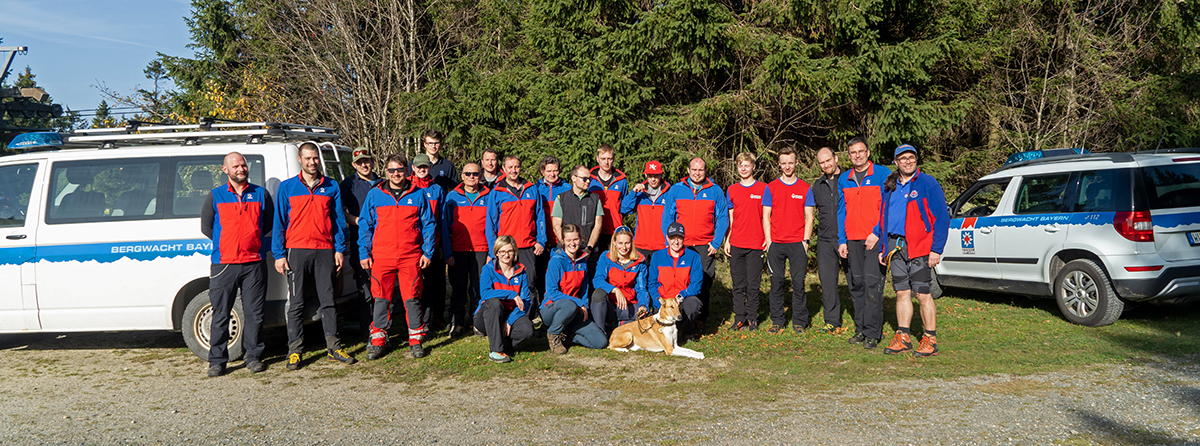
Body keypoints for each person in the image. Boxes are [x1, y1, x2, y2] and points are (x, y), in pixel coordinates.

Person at [272, 142, 355, 369]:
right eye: (307, 158)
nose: (312, 162)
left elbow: (338, 222)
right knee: (296, 302)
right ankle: (295, 350)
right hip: (297, 251)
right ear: (300, 159)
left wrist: (339, 249)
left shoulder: (331, 186)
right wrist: (279, 254)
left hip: (324, 250)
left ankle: (333, 347)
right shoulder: (287, 187)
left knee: (328, 301)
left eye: (315, 158)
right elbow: (279, 222)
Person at [199, 152, 273, 377]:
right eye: (235, 166)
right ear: (225, 170)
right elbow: (207, 227)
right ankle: (217, 361)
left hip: (254, 263)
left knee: (255, 313)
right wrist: (228, 244)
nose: (241, 169)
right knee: (221, 313)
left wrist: (254, 244)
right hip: (224, 264)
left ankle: (253, 357)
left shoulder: (261, 194)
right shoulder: (216, 196)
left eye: (243, 165)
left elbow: (268, 224)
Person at [358, 155, 437, 360]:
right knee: (381, 298)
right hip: (382, 256)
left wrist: (428, 252)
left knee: (411, 298)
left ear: (407, 170)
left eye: (400, 170)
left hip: (410, 256)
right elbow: (365, 224)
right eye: (392, 170)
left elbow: (429, 225)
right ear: (386, 171)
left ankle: (416, 340)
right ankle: (377, 341)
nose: (396, 174)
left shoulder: (418, 194)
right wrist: (363, 253)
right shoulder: (375, 194)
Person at [877, 144, 949, 358]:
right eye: (903, 158)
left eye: (911, 157)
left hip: (919, 246)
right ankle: (903, 337)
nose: (907, 161)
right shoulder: (889, 185)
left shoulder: (927, 183)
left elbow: (942, 218)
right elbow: (883, 217)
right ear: (896, 162)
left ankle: (930, 339)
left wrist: (936, 249)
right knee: (901, 292)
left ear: (916, 160)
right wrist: (883, 247)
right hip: (895, 246)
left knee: (923, 293)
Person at [837, 137, 892, 349]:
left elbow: (887, 206)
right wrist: (842, 240)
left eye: (861, 151)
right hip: (852, 240)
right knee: (856, 285)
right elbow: (842, 211)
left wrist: (877, 232)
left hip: (873, 240)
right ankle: (860, 329)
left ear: (868, 153)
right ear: (849, 156)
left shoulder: (882, 174)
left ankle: (872, 332)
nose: (857, 155)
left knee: (872, 285)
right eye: (853, 153)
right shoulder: (845, 178)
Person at [661, 157, 728, 331]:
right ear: (688, 171)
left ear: (705, 171)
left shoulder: (715, 190)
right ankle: (677, 315)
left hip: (705, 245)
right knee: (680, 281)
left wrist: (716, 242)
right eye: (694, 169)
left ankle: (700, 317)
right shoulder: (676, 189)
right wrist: (668, 240)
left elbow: (722, 217)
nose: (697, 173)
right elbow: (667, 217)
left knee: (704, 282)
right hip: (680, 245)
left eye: (701, 170)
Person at [485, 155, 547, 314]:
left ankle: (529, 318)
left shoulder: (531, 189)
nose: (514, 170)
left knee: (530, 283)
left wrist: (541, 240)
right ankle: (506, 317)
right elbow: (491, 224)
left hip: (527, 246)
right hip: (505, 248)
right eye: (510, 167)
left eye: (517, 167)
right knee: (505, 283)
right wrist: (494, 250)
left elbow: (539, 216)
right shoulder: (497, 192)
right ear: (504, 169)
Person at [763, 147, 812, 333]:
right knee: (776, 283)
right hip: (776, 243)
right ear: (779, 164)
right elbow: (766, 216)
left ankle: (799, 321)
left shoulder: (805, 188)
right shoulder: (771, 187)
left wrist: (805, 241)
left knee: (798, 283)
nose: (787, 166)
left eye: (790, 162)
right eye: (783, 163)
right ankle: (777, 321)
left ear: (796, 163)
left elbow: (809, 217)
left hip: (797, 243)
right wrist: (769, 241)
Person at [542, 224, 608, 354]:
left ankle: (567, 336)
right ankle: (553, 334)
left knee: (600, 342)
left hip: (574, 312)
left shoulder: (582, 261)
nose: (572, 243)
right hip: (552, 309)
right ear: (563, 241)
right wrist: (578, 303)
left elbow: (584, 290)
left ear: (581, 239)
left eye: (575, 239)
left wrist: (585, 308)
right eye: (569, 240)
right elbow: (552, 293)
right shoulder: (555, 261)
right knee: (569, 304)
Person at [444, 162, 492, 337]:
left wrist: (492, 253)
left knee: (478, 288)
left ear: (480, 176)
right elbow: (445, 227)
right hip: (458, 249)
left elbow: (494, 224)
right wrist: (448, 252)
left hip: (481, 250)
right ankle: (457, 322)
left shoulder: (489, 196)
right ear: (462, 176)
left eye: (475, 174)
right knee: (458, 287)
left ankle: (476, 321)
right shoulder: (452, 197)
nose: (472, 177)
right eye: (468, 174)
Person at [724, 152, 771, 332]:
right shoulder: (732, 190)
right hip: (737, 243)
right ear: (737, 168)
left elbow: (767, 217)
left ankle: (753, 319)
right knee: (738, 285)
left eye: (747, 165)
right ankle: (739, 319)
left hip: (756, 244)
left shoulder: (763, 188)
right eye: (740, 165)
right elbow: (731, 218)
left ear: (753, 167)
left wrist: (768, 239)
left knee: (753, 285)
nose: (743, 168)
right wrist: (727, 240)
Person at [804, 147, 848, 334]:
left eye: (828, 160)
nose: (826, 165)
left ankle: (863, 320)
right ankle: (832, 321)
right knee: (828, 282)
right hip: (824, 239)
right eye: (822, 162)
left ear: (836, 158)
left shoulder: (848, 180)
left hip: (847, 237)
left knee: (855, 280)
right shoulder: (817, 185)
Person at [339, 147, 381, 338]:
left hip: (383, 241)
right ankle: (368, 328)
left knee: (382, 284)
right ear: (354, 165)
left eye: (367, 160)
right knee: (365, 285)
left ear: (372, 161)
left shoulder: (383, 183)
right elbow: (341, 213)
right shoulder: (348, 185)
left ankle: (383, 326)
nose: (364, 165)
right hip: (361, 242)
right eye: (360, 162)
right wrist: (358, 221)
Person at [476, 235, 534, 363]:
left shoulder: (522, 271)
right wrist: (511, 294)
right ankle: (495, 351)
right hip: (488, 314)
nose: (506, 255)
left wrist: (509, 321)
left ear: (515, 251)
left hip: (510, 313)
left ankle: (502, 345)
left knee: (527, 330)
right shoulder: (488, 269)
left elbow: (525, 301)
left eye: (510, 251)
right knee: (494, 303)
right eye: (502, 251)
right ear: (496, 253)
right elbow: (485, 294)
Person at [649, 222, 705, 339]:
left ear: (683, 238)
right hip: (664, 301)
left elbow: (696, 285)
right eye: (672, 238)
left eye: (679, 238)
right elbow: (652, 283)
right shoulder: (657, 256)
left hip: (682, 301)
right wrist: (658, 301)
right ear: (667, 239)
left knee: (694, 304)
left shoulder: (693, 257)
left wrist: (681, 296)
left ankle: (684, 331)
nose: (676, 242)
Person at [412, 153, 449, 330]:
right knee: (417, 284)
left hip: (433, 244)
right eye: (418, 167)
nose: (421, 170)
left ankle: (435, 317)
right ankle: (418, 320)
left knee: (437, 283)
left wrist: (441, 245)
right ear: (413, 168)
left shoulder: (437, 190)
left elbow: (442, 220)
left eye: (424, 167)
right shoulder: (408, 188)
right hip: (412, 245)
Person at [590, 226, 648, 335]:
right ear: (614, 242)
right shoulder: (605, 257)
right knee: (598, 294)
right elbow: (597, 280)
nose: (624, 247)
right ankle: (601, 332)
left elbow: (641, 288)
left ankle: (620, 325)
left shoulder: (639, 261)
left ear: (632, 243)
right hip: (610, 304)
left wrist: (643, 305)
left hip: (629, 304)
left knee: (644, 315)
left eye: (627, 243)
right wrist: (615, 290)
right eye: (620, 243)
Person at [536, 156, 571, 300]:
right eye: (549, 171)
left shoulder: (567, 188)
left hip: (560, 240)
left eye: (555, 171)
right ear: (542, 171)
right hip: (542, 240)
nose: (552, 174)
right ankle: (541, 304)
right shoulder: (535, 189)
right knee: (539, 274)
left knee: (560, 274)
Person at [621, 160, 670, 260]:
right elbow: (624, 208)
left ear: (661, 175)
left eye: (656, 176)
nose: (653, 179)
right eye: (650, 176)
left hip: (661, 245)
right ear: (646, 176)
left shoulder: (669, 193)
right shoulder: (639, 193)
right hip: (640, 245)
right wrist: (633, 193)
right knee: (641, 275)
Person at [552, 165, 603, 261]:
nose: (588, 181)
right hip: (566, 252)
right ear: (574, 178)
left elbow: (598, 226)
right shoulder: (561, 198)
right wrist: (566, 246)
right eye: (584, 179)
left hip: (589, 252)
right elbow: (556, 225)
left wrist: (589, 248)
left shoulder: (595, 199)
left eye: (589, 178)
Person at [589, 144, 628, 255]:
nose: (606, 162)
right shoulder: (590, 179)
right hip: (594, 230)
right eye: (603, 159)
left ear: (613, 159)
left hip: (614, 230)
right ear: (597, 159)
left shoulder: (621, 181)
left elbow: (624, 205)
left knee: (614, 264)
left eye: (609, 159)